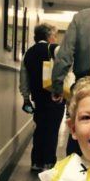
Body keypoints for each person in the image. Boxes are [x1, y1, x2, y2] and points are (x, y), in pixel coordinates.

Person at [51, 0, 90, 154]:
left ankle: (76, 173)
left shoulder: (81, 18)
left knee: (79, 134)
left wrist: (57, 87)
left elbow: (64, 56)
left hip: (86, 84)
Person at [20, 23, 65, 172]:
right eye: (54, 35)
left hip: (37, 99)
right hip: (54, 98)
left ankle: (36, 162)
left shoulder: (28, 53)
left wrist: (26, 98)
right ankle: (48, 163)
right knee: (52, 130)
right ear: (49, 36)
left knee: (40, 129)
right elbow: (66, 59)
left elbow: (23, 78)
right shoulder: (53, 48)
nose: (55, 37)